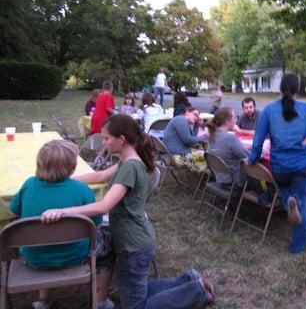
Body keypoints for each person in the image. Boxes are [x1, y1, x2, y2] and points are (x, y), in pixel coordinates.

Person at [40, 115, 214, 308]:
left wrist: (63, 211)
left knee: (134, 305)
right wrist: (65, 180)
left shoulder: (129, 168)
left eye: (106, 139)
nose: (104, 143)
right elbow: (100, 175)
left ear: (121, 139)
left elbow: (103, 206)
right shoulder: (128, 161)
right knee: (135, 291)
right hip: (135, 241)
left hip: (134, 246)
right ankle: (188, 281)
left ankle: (196, 292)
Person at [9, 140, 113, 309]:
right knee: (107, 243)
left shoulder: (28, 185)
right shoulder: (82, 190)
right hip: (74, 257)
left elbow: (15, 212)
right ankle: (100, 300)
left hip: (33, 258)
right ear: (71, 167)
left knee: (44, 236)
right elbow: (94, 225)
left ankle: (45, 300)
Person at [247, 74, 306, 254]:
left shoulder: (269, 110)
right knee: (302, 201)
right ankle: (297, 246)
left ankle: (288, 202)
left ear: (280, 89)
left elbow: (258, 140)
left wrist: (253, 158)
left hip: (280, 166)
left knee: (286, 189)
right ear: (298, 90)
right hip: (303, 165)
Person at [206, 107, 249, 186]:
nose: (236, 121)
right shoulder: (230, 138)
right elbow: (248, 156)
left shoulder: (212, 135)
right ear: (226, 121)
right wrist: (262, 150)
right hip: (234, 179)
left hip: (219, 176)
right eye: (234, 118)